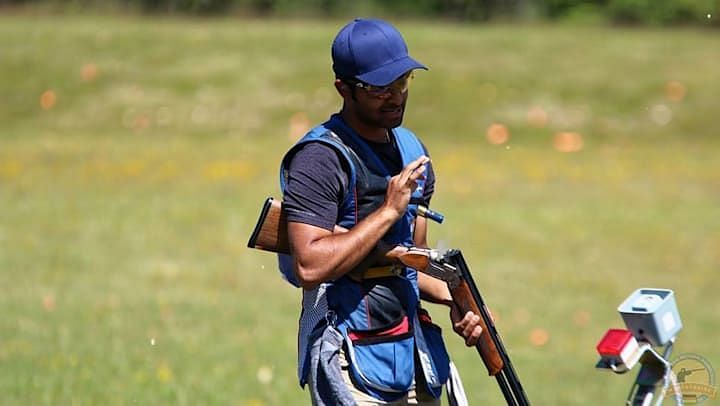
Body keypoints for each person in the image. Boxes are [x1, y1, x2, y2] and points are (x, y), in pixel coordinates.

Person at [278, 18, 483, 405]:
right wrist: (388, 212)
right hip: (348, 354)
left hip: (413, 351)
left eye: (402, 83)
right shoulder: (319, 159)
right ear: (344, 89)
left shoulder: (412, 151)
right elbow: (309, 265)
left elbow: (412, 261)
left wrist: (458, 300)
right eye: (379, 89)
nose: (395, 97)